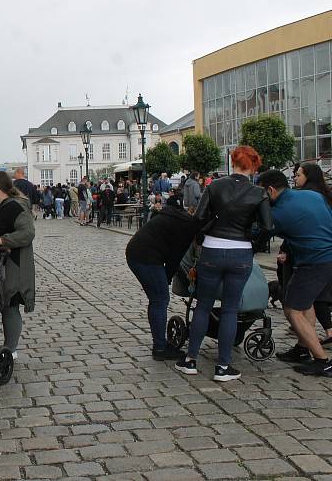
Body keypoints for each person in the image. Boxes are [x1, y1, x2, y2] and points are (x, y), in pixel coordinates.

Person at [175, 146, 272, 382]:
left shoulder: (214, 186)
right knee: (230, 308)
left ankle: (190, 360)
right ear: (254, 165)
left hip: (212, 250)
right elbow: (269, 227)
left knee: (203, 305)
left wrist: (201, 239)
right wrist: (252, 244)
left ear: (233, 162)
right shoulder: (258, 193)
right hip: (240, 253)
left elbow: (198, 218)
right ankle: (223, 366)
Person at [260, 169, 332, 378]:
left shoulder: (279, 214)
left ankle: (321, 360)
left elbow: (259, 234)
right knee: (305, 303)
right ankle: (302, 349)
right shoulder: (313, 195)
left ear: (271, 190)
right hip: (325, 257)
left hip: (314, 262)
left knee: (292, 308)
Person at [127, 195, 200, 360]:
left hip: (137, 252)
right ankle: (160, 348)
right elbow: (175, 258)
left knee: (157, 299)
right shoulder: (188, 227)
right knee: (160, 300)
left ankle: (160, 343)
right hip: (146, 257)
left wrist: (167, 277)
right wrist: (168, 279)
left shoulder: (173, 216)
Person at [0, 170, 35, 358]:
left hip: (13, 266)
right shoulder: (0, 206)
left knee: (9, 307)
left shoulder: (15, 206)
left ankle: (11, 350)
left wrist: (1, 241)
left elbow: (27, 233)